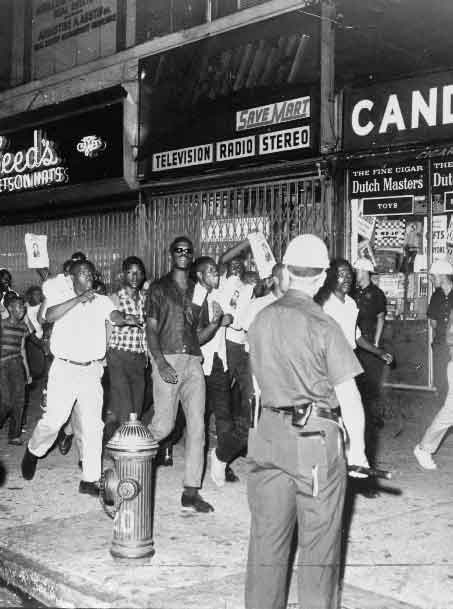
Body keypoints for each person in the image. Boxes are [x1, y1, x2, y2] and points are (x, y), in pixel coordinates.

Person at [245, 234, 369, 609]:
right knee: (319, 547)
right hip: (312, 442)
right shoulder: (324, 325)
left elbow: (257, 381)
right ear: (321, 278)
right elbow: (349, 396)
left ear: (286, 272)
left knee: (266, 541)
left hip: (266, 434)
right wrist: (358, 450)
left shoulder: (260, 319)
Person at [21, 260, 140, 496]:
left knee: (93, 425)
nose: (89, 277)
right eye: (83, 273)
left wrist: (124, 318)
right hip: (64, 369)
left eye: (90, 273)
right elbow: (48, 316)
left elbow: (114, 315)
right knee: (54, 420)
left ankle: (90, 479)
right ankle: (34, 450)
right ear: (72, 279)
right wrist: (78, 299)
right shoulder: (61, 296)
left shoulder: (102, 300)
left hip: (91, 370)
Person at [146, 236, 219, 513]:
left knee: (198, 427)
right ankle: (130, 459)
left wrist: (213, 325)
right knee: (163, 426)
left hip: (193, 362)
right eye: (178, 250)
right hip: (168, 358)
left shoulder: (197, 289)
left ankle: (191, 491)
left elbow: (197, 334)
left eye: (188, 251)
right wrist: (160, 363)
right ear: (171, 254)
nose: (183, 254)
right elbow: (151, 329)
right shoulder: (158, 288)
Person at [315, 258, 393, 498]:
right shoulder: (321, 302)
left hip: (347, 363)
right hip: (326, 365)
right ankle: (327, 473)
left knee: (356, 416)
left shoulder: (350, 303)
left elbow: (356, 336)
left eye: (349, 274)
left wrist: (379, 351)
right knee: (333, 419)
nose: (347, 278)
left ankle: (359, 472)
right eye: (341, 274)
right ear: (330, 277)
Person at [195, 256, 246, 488]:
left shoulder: (220, 291)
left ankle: (221, 461)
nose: (217, 274)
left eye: (217, 271)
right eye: (212, 271)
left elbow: (231, 314)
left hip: (218, 361)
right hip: (199, 362)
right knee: (195, 414)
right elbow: (195, 327)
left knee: (224, 414)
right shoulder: (194, 295)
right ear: (200, 274)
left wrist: (226, 318)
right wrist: (216, 321)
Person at [104, 256, 147, 444]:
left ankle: (109, 441)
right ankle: (125, 452)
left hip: (139, 359)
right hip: (118, 357)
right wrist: (124, 318)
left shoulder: (146, 299)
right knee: (126, 407)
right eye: (130, 272)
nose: (134, 276)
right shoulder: (114, 298)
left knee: (136, 408)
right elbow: (112, 319)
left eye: (138, 272)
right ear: (123, 274)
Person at [352, 258, 389, 426]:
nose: (355, 274)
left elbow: (380, 318)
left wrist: (376, 343)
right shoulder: (353, 292)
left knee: (372, 382)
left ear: (364, 271)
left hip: (368, 340)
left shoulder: (376, 294)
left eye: (357, 270)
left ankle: (375, 418)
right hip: (355, 343)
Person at [0, 294, 32, 445]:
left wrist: (27, 371)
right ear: (10, 308)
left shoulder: (23, 327)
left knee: (20, 400)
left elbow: (23, 350)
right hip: (2, 365)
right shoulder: (2, 325)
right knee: (6, 401)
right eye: (19, 307)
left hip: (17, 364)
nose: (22, 310)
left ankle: (14, 435)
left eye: (23, 308)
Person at [425, 259, 453, 403]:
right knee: (442, 384)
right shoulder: (436, 296)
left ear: (442, 276)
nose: (430, 279)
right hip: (441, 346)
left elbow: (435, 323)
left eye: (432, 276)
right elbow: (432, 323)